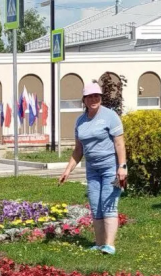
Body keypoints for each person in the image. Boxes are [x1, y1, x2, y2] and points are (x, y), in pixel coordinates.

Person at [58, 81, 127, 255]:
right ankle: (99, 243)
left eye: (96, 96)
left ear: (101, 97)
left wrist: (122, 167)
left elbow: (119, 144)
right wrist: (67, 170)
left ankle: (109, 245)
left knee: (108, 204)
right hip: (92, 170)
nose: (93, 99)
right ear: (84, 100)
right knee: (96, 206)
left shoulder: (110, 116)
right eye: (89, 97)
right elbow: (78, 149)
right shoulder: (80, 121)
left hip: (110, 168)